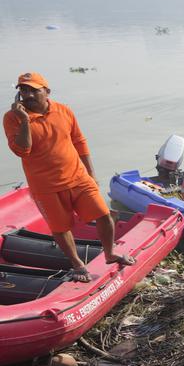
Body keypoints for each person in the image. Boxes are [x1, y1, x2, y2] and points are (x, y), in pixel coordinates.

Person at [3, 72, 136, 281]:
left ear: (46, 92)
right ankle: (77, 264)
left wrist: (91, 174)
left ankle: (109, 253)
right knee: (61, 228)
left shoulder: (64, 110)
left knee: (105, 215)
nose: (28, 94)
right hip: (45, 186)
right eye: (23, 90)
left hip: (78, 177)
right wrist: (25, 121)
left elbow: (79, 141)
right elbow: (22, 150)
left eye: (33, 90)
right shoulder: (12, 119)